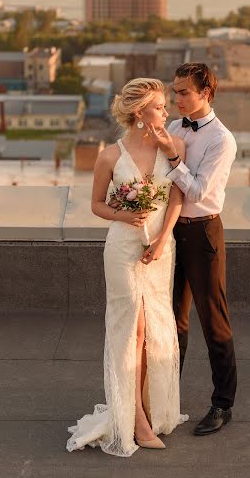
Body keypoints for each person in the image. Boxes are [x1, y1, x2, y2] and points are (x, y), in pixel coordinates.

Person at [66, 78, 188, 457]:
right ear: (139, 113)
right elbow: (96, 205)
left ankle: (153, 408)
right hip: (122, 249)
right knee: (129, 332)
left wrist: (163, 239)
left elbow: (178, 199)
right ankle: (133, 418)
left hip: (160, 251)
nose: (167, 112)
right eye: (159, 107)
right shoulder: (108, 155)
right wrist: (124, 213)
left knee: (154, 329)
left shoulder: (174, 146)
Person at [142, 62, 238, 436]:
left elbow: (197, 191)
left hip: (203, 234)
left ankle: (222, 404)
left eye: (184, 92)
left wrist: (171, 155)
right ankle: (166, 398)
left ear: (206, 93)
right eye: (175, 90)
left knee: (213, 321)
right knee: (172, 321)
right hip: (171, 231)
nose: (176, 98)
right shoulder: (174, 127)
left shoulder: (221, 140)